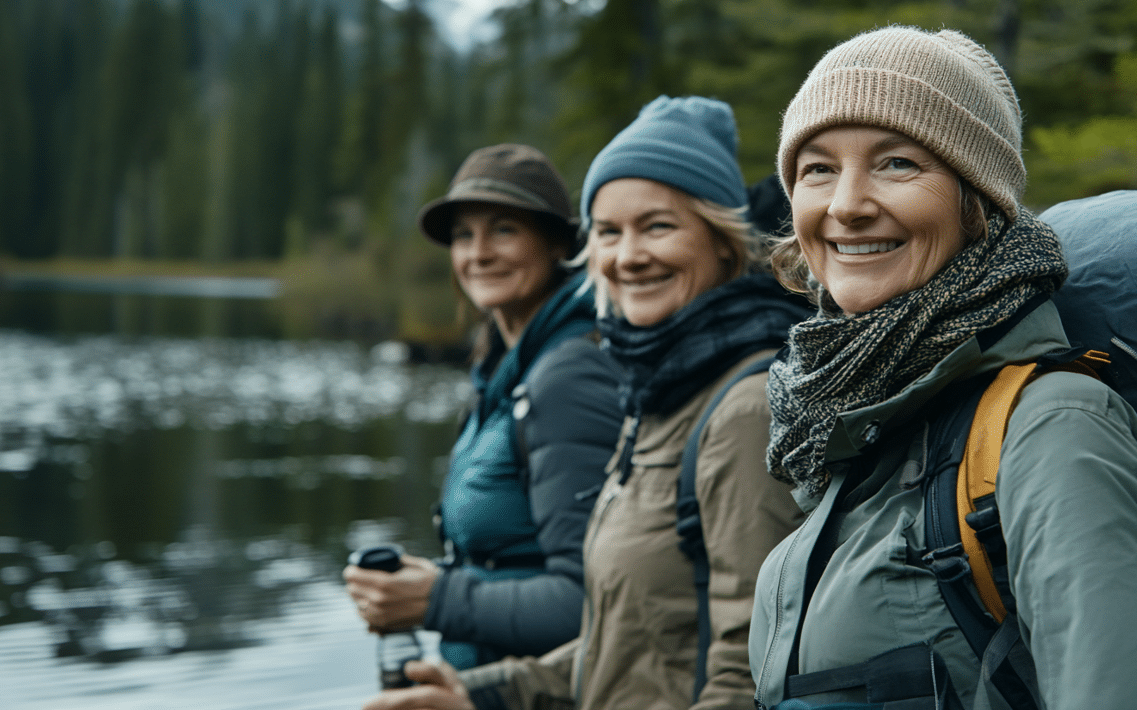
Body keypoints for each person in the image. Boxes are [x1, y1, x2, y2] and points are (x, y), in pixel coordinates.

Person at [747, 27, 1137, 710]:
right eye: (818, 168)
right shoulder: (855, 424)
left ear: (977, 204)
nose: (846, 204)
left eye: (897, 163)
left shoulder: (1053, 427)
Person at [361, 96, 810, 710]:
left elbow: (748, 676)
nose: (628, 255)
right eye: (609, 232)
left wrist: (440, 600)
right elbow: (621, 644)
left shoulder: (741, 411)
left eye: (657, 226)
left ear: (724, 241)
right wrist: (479, 697)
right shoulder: (653, 397)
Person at [343, 144, 624, 687]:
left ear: (558, 244)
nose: (479, 254)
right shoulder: (504, 367)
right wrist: (431, 583)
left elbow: (591, 600)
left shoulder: (571, 376)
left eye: (503, 230)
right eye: (464, 236)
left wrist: (437, 598)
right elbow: (514, 560)